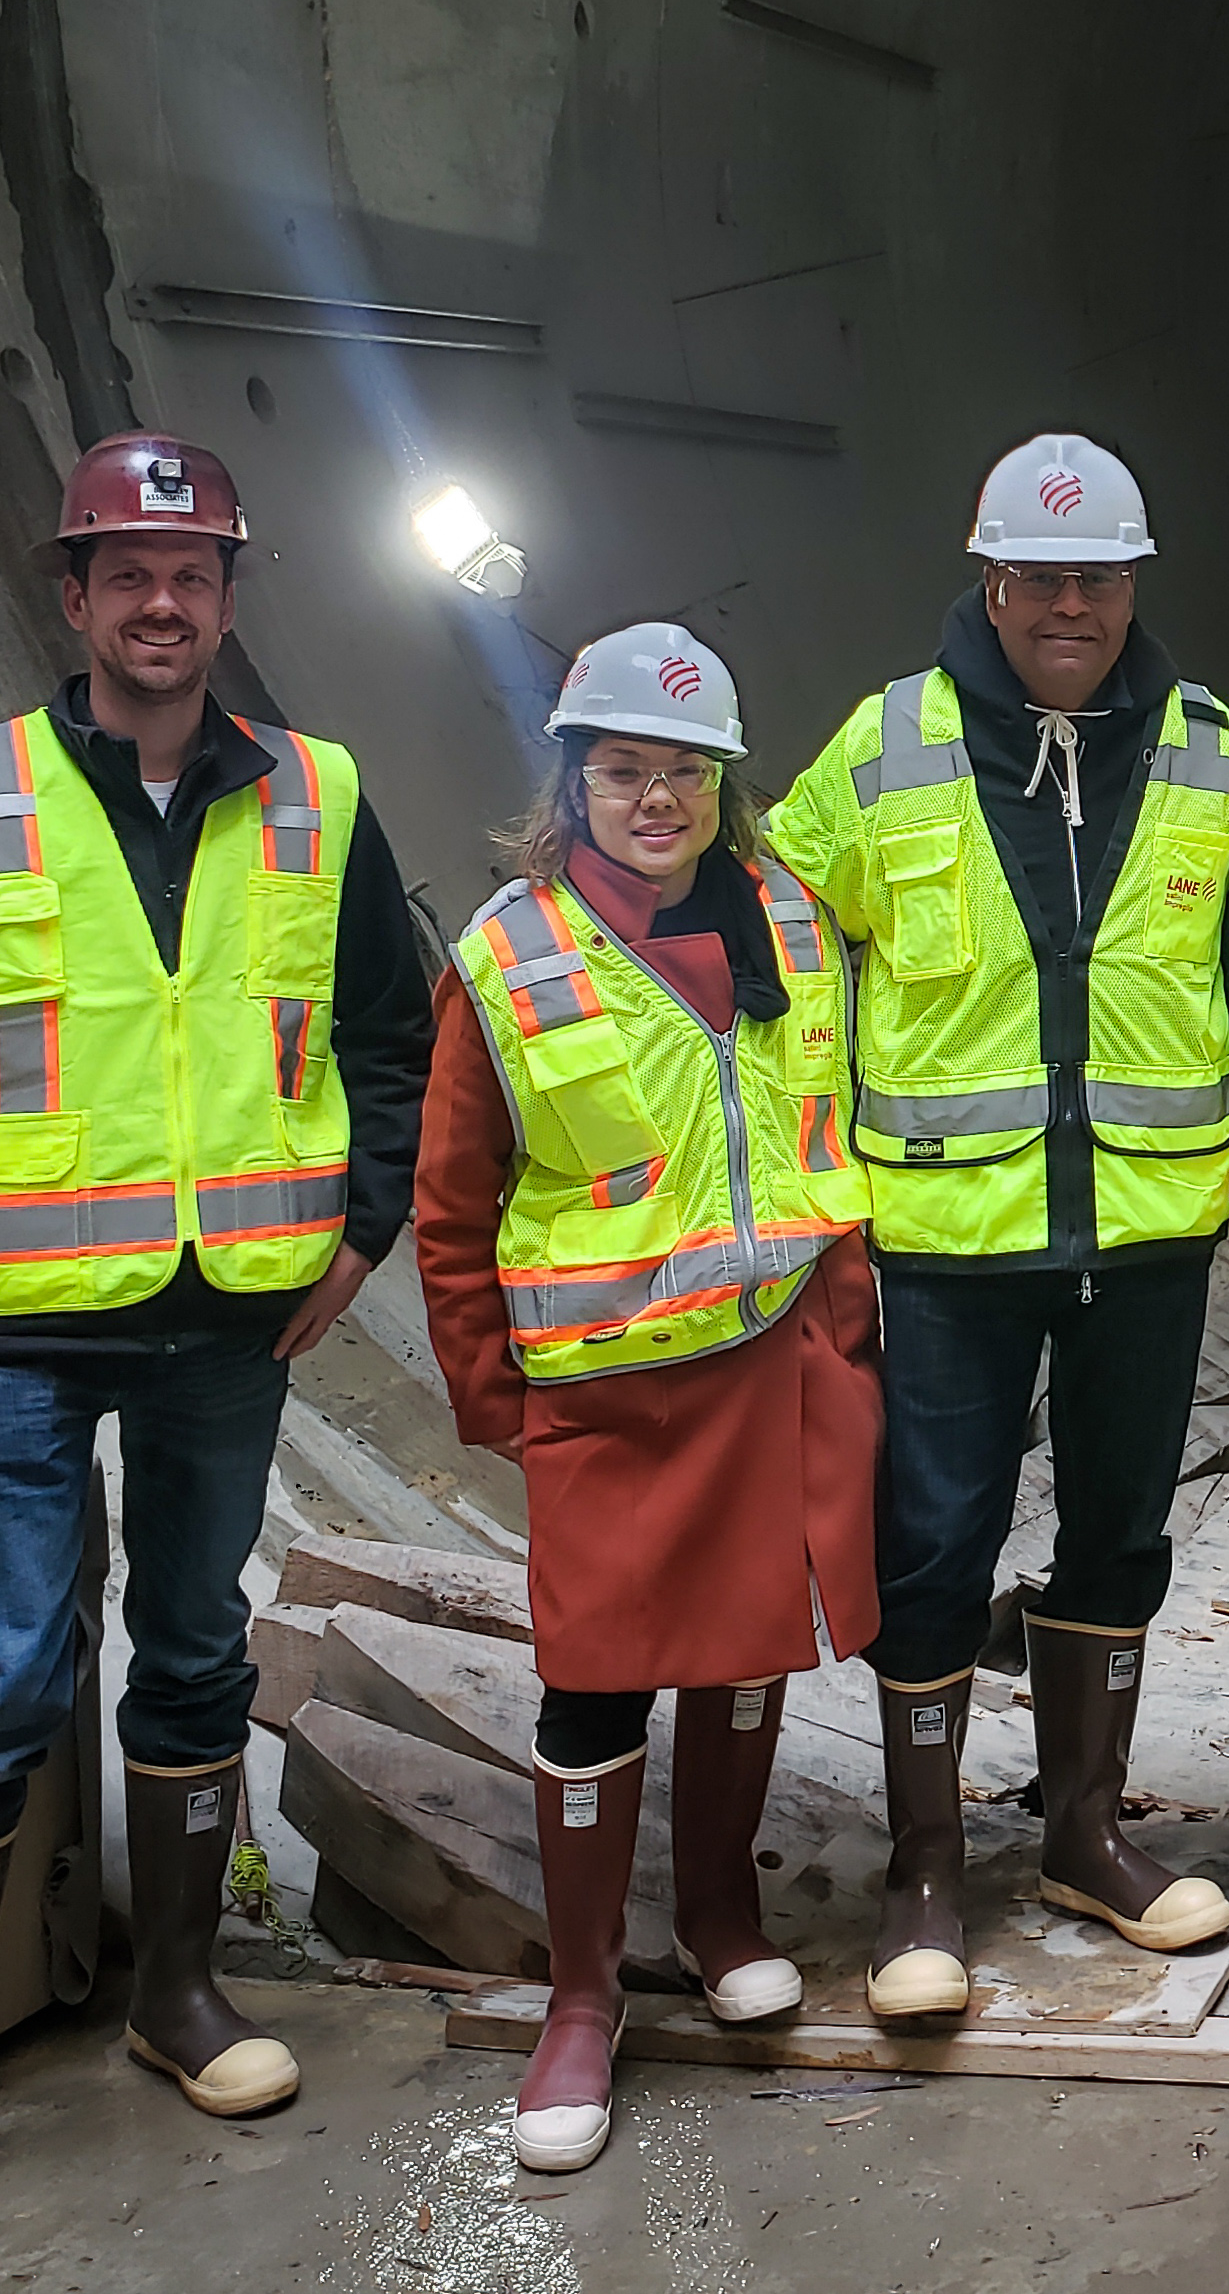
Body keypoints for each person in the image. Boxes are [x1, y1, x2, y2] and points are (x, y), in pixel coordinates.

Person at [0, 435, 431, 2254]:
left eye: (194, 573)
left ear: (228, 599)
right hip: (13, 1329)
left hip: (221, 1326)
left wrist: (359, 1230)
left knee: (189, 1650)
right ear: (74, 595)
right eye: (128, 571)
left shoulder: (318, 796)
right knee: (1, 1676)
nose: (162, 602)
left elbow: (396, 1037)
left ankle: (179, 1996)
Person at [769, 433, 1229, 2020]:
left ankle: (1081, 1833)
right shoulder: (881, 749)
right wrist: (820, 1188)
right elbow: (788, 953)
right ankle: (928, 1867)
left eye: (1099, 578)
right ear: (988, 580)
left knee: (1122, 1530)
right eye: (1041, 577)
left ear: (1133, 586)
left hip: (1144, 1229)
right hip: (945, 1238)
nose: (1071, 604)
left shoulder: (1217, 754)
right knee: (934, 1548)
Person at [413, 624, 882, 2171]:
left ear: (723, 784)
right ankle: (582, 2002)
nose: (655, 800)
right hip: (609, 1393)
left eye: (684, 772)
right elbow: (453, 1201)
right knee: (597, 1682)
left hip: (772, 1367)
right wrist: (497, 1398)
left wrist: (848, 1311)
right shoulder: (514, 955)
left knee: (750, 1650)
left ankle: (725, 1915)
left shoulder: (792, 930)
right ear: (574, 782)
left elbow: (831, 1125)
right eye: (623, 771)